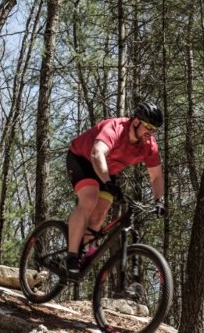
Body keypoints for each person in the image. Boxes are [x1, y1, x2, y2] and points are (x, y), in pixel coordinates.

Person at [65, 101, 166, 276]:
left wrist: (160, 200)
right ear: (135, 121)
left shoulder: (149, 145)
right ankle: (72, 255)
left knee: (100, 212)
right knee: (89, 199)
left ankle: (84, 250)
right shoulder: (116, 128)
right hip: (83, 159)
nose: (150, 133)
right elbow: (97, 153)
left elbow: (156, 176)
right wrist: (107, 181)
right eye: (148, 127)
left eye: (154, 129)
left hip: (107, 170)